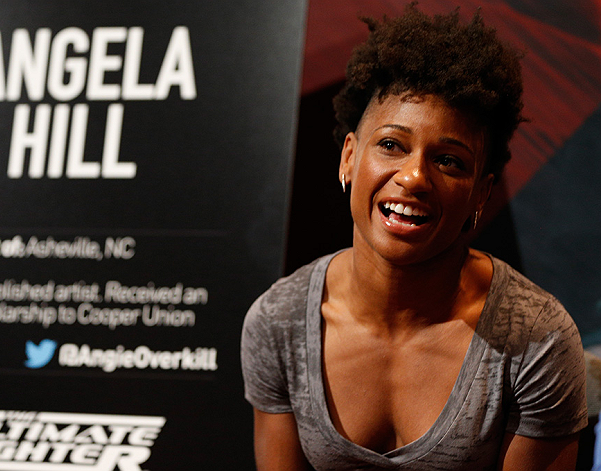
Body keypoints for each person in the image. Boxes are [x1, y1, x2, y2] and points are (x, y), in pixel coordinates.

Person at [241, 5, 588, 470]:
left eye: (449, 160)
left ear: (481, 194)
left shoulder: (536, 339)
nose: (415, 177)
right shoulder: (277, 323)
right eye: (391, 145)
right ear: (348, 158)